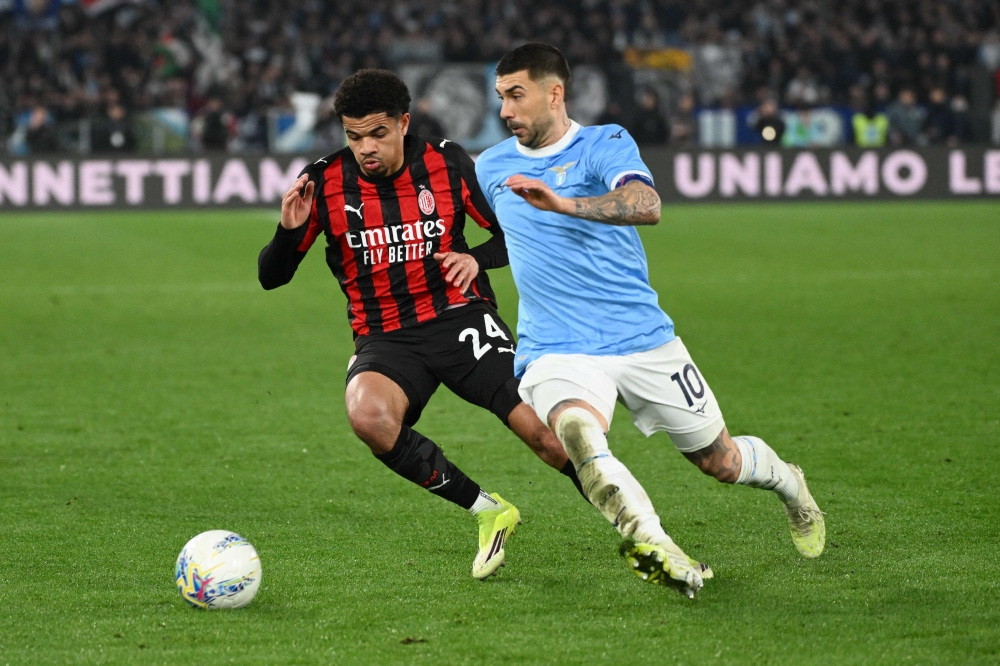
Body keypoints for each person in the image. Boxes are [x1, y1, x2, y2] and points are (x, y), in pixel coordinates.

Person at [475, 44, 825, 599]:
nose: (505, 111)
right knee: (575, 431)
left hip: (641, 337)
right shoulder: (490, 165)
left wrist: (563, 204)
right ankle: (657, 544)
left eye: (516, 96)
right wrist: (472, 258)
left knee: (721, 460)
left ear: (554, 93)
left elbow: (645, 203)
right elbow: (491, 232)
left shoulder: (603, 143)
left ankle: (790, 484)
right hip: (555, 346)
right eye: (501, 98)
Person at [257, 69, 583, 581]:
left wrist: (476, 259)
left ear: (404, 123)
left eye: (378, 133)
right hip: (386, 337)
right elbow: (271, 278)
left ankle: (645, 532)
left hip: (460, 317)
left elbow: (510, 234)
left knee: (548, 438)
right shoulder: (324, 183)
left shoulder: (447, 163)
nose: (366, 147)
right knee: (368, 416)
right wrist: (286, 231)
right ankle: (488, 511)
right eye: (354, 135)